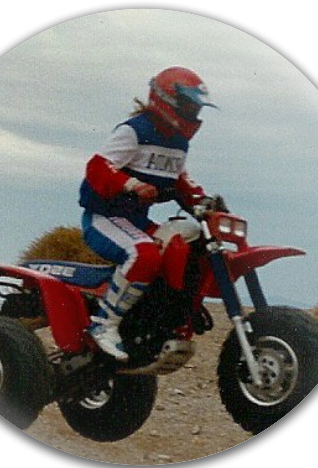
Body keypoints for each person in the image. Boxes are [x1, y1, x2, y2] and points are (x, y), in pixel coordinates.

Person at [78, 66, 216, 361]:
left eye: (196, 108)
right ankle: (103, 324)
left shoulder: (178, 143)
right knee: (144, 253)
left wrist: (203, 202)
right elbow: (97, 167)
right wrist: (131, 184)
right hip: (104, 218)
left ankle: (165, 315)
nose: (193, 113)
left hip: (136, 222)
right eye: (188, 106)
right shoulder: (134, 131)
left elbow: (180, 180)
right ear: (166, 100)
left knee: (187, 244)